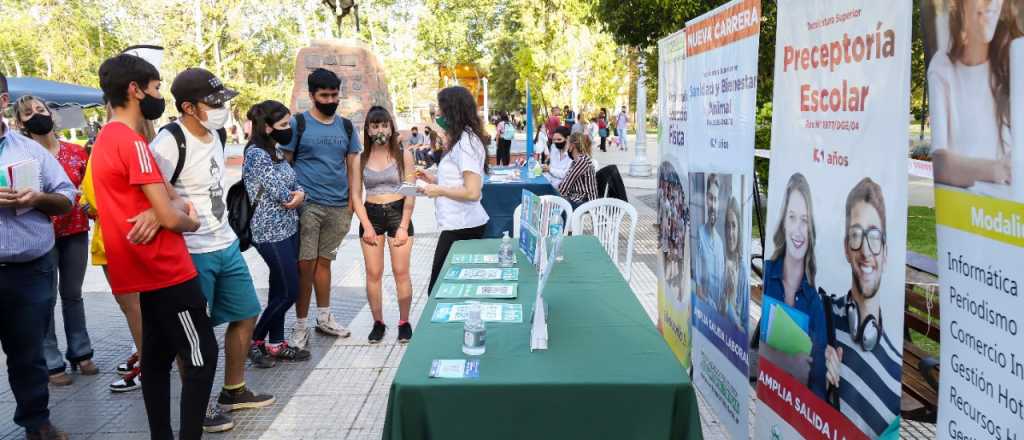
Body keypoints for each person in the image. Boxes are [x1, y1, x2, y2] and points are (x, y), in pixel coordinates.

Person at [92, 53, 217, 440]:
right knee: (202, 356)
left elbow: (165, 201)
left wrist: (171, 207)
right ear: (135, 90)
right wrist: (190, 218)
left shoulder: (105, 140)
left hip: (142, 270)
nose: (158, 95)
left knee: (158, 359)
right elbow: (171, 213)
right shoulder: (131, 142)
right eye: (156, 88)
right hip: (164, 268)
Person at [149, 68, 274, 433]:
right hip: (190, 251)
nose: (221, 109)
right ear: (188, 107)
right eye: (213, 103)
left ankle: (233, 389)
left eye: (223, 101)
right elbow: (155, 195)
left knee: (247, 312)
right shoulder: (168, 143)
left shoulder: (217, 134)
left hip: (226, 243)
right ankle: (198, 406)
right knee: (194, 339)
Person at [0, 73, 74, 440]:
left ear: (2, 102)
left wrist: (36, 198)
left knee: (28, 353)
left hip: (29, 271)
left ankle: (37, 423)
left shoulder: (31, 151)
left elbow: (66, 197)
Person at [10, 95, 98, 386]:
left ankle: (81, 352)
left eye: (40, 109)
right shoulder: (21, 154)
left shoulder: (76, 152)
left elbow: (89, 188)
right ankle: (51, 361)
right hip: (40, 235)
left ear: (51, 113)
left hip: (75, 232)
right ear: (20, 122)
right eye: (28, 113)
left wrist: (90, 206)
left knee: (72, 293)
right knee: (44, 299)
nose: (36, 115)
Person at [280, 68, 360, 349]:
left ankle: (324, 317)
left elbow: (353, 167)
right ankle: (300, 324)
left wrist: (352, 203)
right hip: (308, 206)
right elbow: (285, 164)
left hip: (338, 207)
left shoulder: (347, 127)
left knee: (324, 263)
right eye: (324, 95)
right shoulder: (298, 124)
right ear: (312, 95)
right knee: (306, 266)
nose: (330, 99)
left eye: (334, 95)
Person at [825, 178, 901, 438]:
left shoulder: (895, 373)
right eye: (857, 236)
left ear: (886, 252)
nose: (866, 252)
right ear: (847, 248)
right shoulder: (821, 316)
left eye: (874, 237)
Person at [242, 100, 312, 364]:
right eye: (283, 125)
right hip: (269, 233)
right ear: (268, 127)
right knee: (290, 291)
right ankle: (255, 339)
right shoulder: (256, 154)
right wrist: (296, 195)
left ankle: (275, 343)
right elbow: (282, 193)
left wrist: (301, 194)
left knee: (278, 287)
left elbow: (296, 184)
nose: (288, 129)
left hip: (288, 227)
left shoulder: (276, 151)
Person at [929, 0, 1021, 189]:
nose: (992, 3)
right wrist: (997, 169)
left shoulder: (1014, 61)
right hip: (967, 210)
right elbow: (940, 164)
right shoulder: (942, 67)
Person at [350, 106, 416, 344]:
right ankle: (377, 322)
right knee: (373, 273)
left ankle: (404, 322)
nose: (380, 130)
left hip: (399, 213)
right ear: (367, 129)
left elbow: (410, 191)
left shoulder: (403, 154)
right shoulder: (360, 158)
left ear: (391, 127)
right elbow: (356, 195)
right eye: (375, 125)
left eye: (384, 125)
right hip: (372, 215)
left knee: (401, 272)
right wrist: (366, 225)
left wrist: (404, 224)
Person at [760, 172, 828, 400]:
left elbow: (818, 390)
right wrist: (788, 363)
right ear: (783, 222)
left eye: (805, 220)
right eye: (792, 217)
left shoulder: (814, 304)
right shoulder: (768, 275)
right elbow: (751, 351)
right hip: (767, 401)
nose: (798, 229)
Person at [417, 86, 490, 293]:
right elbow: (459, 178)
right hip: (457, 224)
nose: (438, 116)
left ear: (453, 110)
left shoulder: (466, 143)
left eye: (441, 110)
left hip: (463, 226)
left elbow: (472, 192)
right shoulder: (461, 140)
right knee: (449, 289)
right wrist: (433, 178)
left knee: (438, 290)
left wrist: (438, 189)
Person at [693, 173, 724, 305]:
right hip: (703, 305)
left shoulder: (720, 243)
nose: (713, 204)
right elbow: (697, 275)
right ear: (706, 199)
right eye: (711, 198)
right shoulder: (699, 233)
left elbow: (721, 281)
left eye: (716, 199)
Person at [722, 196, 747, 330]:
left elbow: (745, 323)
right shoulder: (721, 263)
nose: (730, 232)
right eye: (727, 226)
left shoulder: (742, 269)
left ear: (739, 230)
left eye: (734, 226)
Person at [557, 133, 598, 209]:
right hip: (579, 200)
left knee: (556, 208)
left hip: (585, 202)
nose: (566, 147)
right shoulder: (576, 162)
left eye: (567, 144)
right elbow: (565, 185)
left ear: (572, 146)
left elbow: (564, 187)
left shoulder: (582, 162)